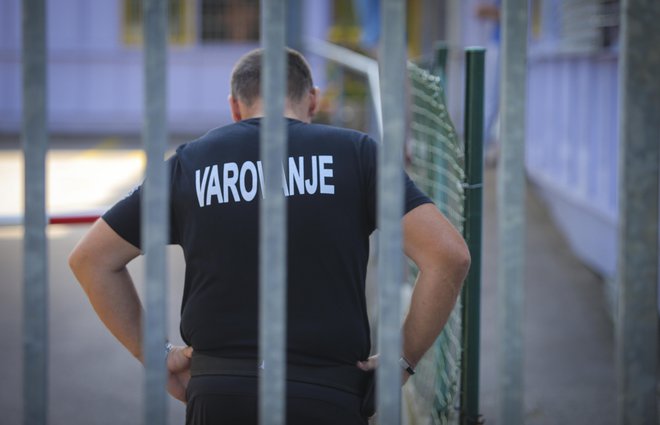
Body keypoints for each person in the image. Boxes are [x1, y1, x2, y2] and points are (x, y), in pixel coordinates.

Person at [69, 48, 470, 425]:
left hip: (220, 391)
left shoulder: (189, 163)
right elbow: (448, 256)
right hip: (329, 392)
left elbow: (91, 259)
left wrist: (155, 355)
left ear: (234, 107)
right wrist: (402, 359)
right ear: (312, 100)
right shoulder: (357, 154)